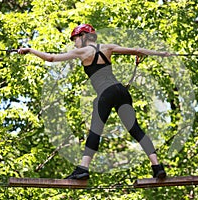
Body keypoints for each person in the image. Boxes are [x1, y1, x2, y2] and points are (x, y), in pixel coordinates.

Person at [18, 24, 169, 180]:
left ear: (84, 37)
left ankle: (83, 168)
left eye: (75, 39)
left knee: (95, 131)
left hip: (106, 93)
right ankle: (157, 167)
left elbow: (51, 58)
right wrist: (162, 54)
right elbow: (137, 50)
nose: (74, 42)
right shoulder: (108, 47)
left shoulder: (81, 52)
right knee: (136, 130)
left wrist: (30, 50)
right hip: (121, 91)